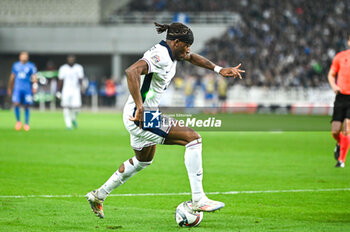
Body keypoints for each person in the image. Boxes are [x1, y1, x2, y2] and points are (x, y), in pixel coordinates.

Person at [86, 22, 244, 218]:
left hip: (137, 113)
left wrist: (219, 70)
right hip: (141, 115)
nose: (188, 51)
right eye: (186, 46)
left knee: (143, 161)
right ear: (176, 42)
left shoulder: (172, 52)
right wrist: (141, 106)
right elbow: (131, 71)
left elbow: (192, 58)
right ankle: (198, 199)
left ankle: (98, 195)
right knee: (193, 139)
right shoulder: (159, 56)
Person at [328, 35, 350, 168]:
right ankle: (340, 142)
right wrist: (334, 86)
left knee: (347, 127)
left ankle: (341, 160)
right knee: (335, 131)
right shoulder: (340, 56)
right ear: (348, 41)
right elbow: (331, 74)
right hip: (341, 96)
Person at [7, 52, 37, 131]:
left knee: (26, 105)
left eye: (26, 56)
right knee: (16, 103)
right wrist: (10, 88)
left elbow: (34, 77)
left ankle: (26, 124)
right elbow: (12, 77)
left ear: (28, 57)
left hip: (27, 89)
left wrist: (34, 87)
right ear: (20, 57)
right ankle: (18, 122)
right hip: (17, 88)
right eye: (23, 56)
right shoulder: (15, 65)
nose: (24, 57)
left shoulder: (31, 65)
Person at [57, 55, 84, 129]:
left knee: (77, 108)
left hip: (76, 90)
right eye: (69, 59)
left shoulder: (79, 68)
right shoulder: (63, 68)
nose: (71, 60)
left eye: (72, 59)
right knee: (66, 107)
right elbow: (60, 80)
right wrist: (58, 91)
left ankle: (73, 118)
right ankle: (68, 125)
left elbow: (80, 79)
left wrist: (82, 88)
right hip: (66, 90)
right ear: (67, 60)